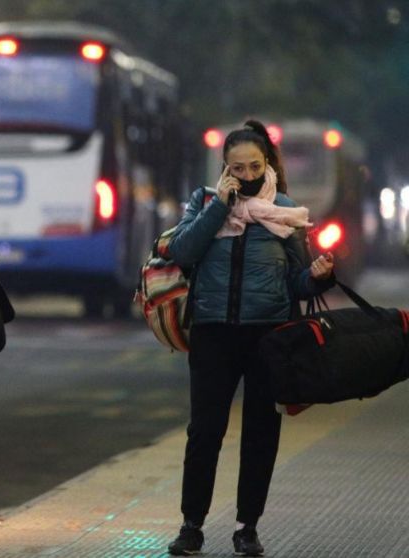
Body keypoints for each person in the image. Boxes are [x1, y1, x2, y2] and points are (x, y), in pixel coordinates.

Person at [165, 120, 337, 557]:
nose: (245, 175)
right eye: (236, 168)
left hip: (268, 336)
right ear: (224, 169)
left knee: (261, 432)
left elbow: (297, 282)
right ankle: (191, 526)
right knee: (205, 431)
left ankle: (247, 527)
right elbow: (182, 253)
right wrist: (218, 208)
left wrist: (319, 277)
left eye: (253, 166)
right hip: (213, 333)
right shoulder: (204, 202)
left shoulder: (286, 211)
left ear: (267, 164)